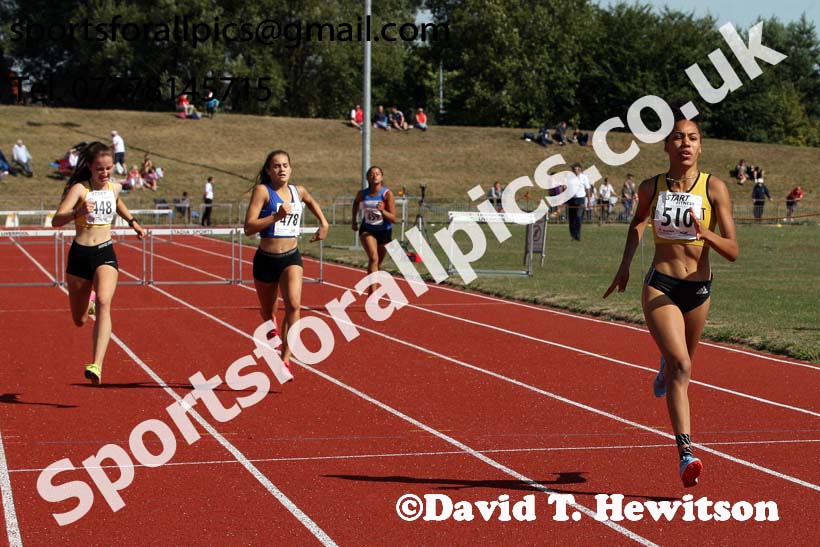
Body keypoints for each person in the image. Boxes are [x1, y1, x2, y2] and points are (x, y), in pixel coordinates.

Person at [604, 112, 738, 488]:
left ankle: (666, 361)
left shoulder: (715, 188)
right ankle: (686, 454)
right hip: (660, 283)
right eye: (678, 138)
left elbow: (732, 250)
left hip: (698, 290)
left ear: (700, 146)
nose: (685, 144)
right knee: (682, 367)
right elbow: (637, 222)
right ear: (666, 146)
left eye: (692, 138)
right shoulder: (652, 187)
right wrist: (625, 266)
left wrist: (704, 234)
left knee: (683, 365)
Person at [51, 142, 146, 384]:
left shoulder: (114, 188)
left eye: (108, 169)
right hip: (80, 256)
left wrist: (133, 222)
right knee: (79, 319)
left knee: (105, 301)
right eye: (99, 170)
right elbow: (56, 220)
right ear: (90, 168)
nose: (105, 174)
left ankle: (97, 364)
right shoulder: (80, 190)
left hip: (105, 252)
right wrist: (77, 213)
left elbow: (118, 204)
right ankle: (89, 301)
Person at [244, 150, 329, 372]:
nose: (281, 169)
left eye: (285, 165)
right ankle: (269, 324)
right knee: (268, 311)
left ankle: (286, 358)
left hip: (290, 257)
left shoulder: (297, 191)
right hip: (266, 259)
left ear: (290, 168)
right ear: (268, 170)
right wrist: (275, 217)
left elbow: (310, 200)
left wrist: (324, 223)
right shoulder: (263, 191)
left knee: (294, 305)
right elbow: (248, 228)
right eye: (276, 166)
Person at [352, 166, 397, 293]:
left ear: (382, 177)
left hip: (384, 231)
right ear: (367, 178)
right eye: (371, 174)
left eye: (377, 174)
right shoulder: (362, 194)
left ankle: (372, 285)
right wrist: (354, 220)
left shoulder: (387, 194)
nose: (374, 176)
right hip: (368, 229)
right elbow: (355, 203)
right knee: (373, 258)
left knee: (377, 263)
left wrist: (383, 211)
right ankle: (372, 294)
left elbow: (393, 218)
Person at [566, 163, 591, 240]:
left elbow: (588, 189)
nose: (573, 171)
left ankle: (577, 235)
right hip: (571, 199)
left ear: (579, 170)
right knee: (571, 218)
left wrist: (589, 201)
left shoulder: (584, 177)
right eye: (572, 169)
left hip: (580, 199)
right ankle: (573, 235)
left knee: (578, 216)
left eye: (574, 169)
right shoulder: (570, 178)